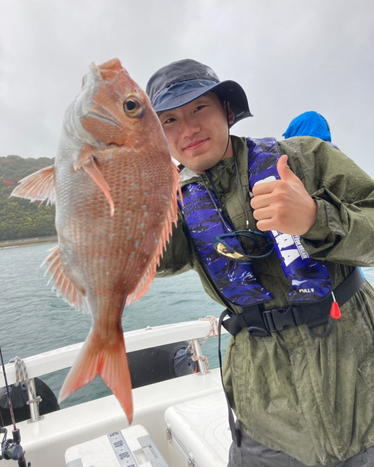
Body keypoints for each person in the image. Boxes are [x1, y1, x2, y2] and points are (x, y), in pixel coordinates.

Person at [146, 59, 374, 467]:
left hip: (364, 393)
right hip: (265, 418)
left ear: (228, 112)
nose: (188, 130)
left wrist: (315, 218)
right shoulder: (173, 205)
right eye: (169, 121)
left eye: (199, 109)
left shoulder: (306, 158)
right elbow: (151, 261)